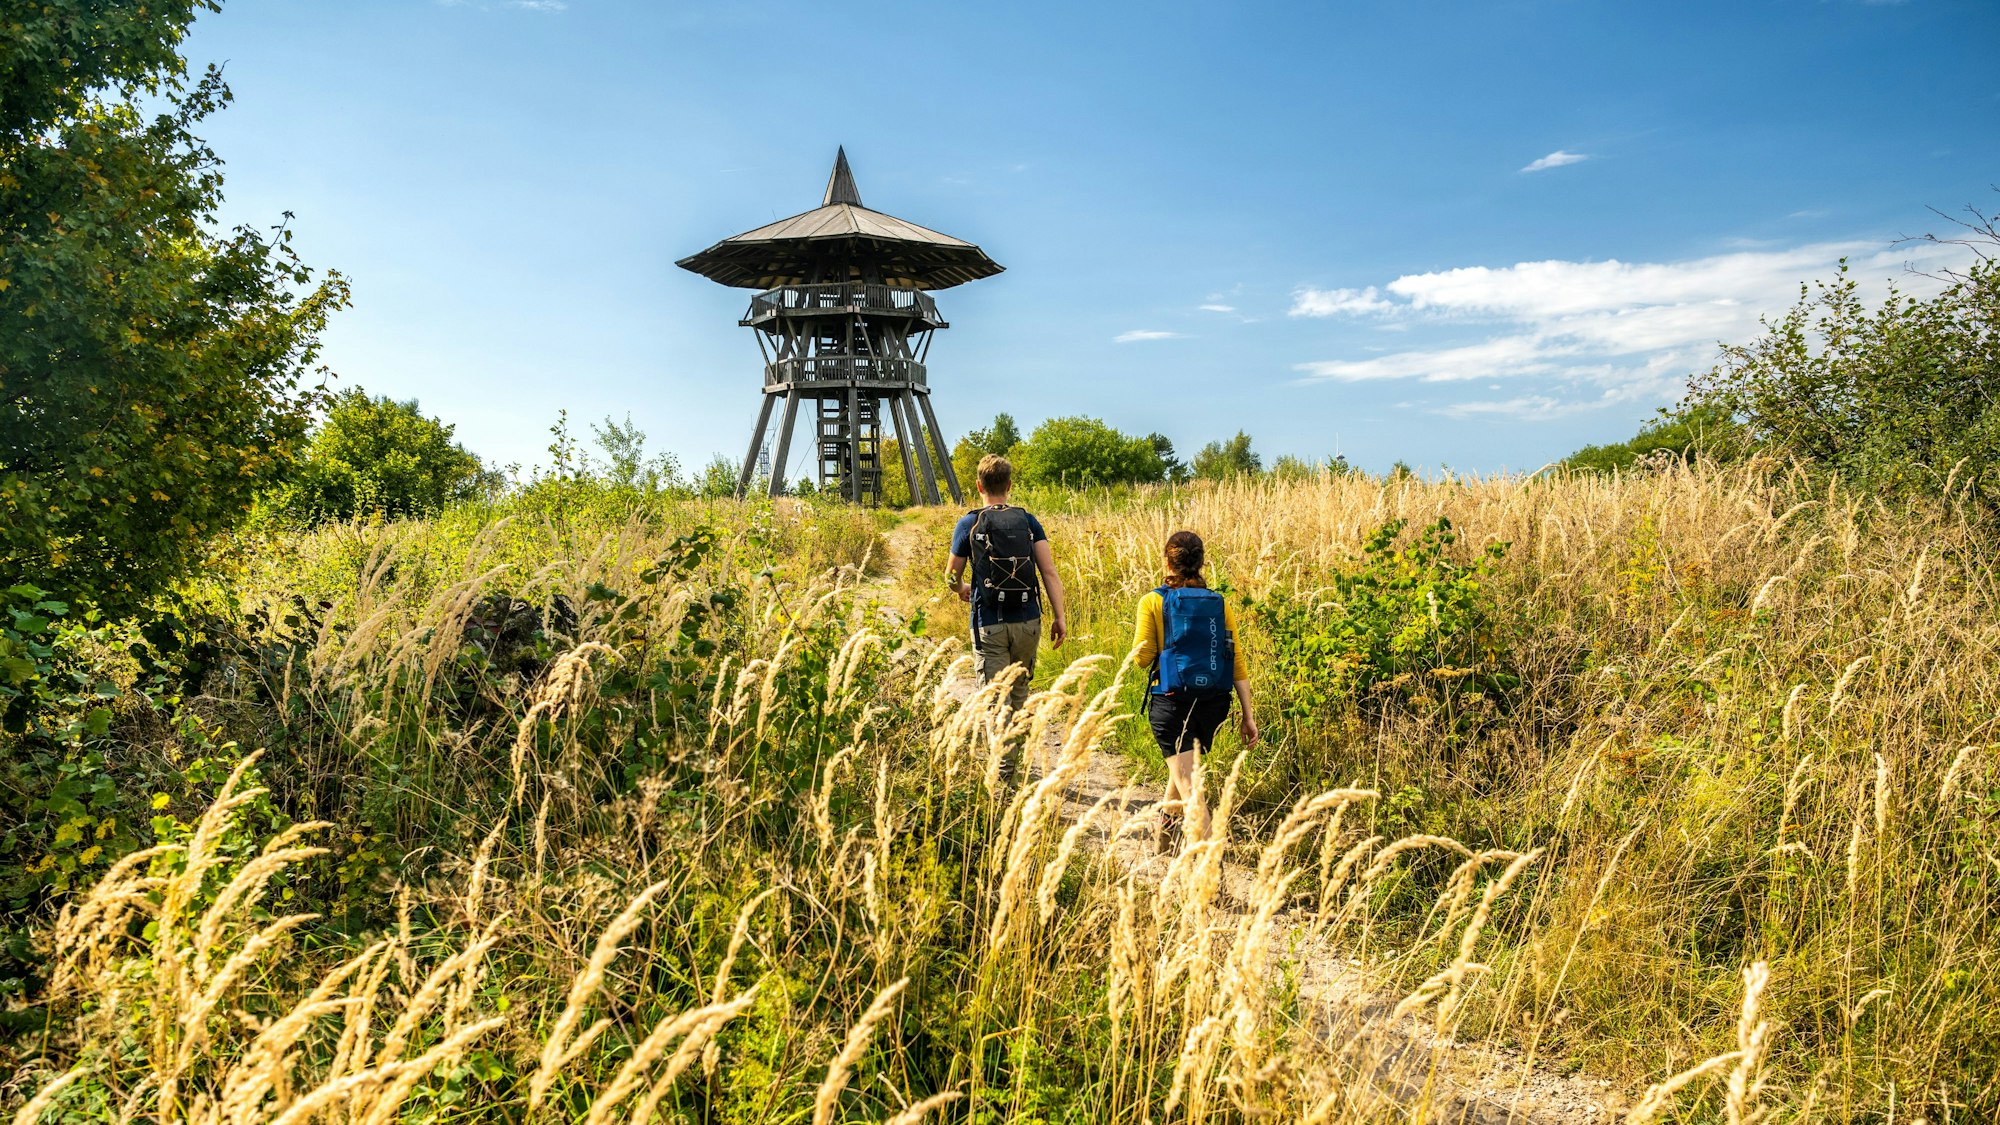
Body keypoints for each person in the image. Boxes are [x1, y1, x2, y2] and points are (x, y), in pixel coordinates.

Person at [1126, 530, 1257, 848]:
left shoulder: (1153, 601)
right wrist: (1248, 715)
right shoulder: (1218, 603)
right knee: (1183, 770)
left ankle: (1211, 865)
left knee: (1191, 790)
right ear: (1201, 562)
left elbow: (1142, 659)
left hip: (1172, 704)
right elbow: (1236, 660)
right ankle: (1165, 831)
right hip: (1213, 705)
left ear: (1167, 562)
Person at [947, 454, 1068, 721]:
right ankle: (1019, 747)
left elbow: (951, 576)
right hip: (1028, 622)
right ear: (1009, 485)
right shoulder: (1028, 522)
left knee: (995, 703)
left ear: (979, 486)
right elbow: (1049, 572)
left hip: (989, 622)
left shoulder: (969, 524)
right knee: (1019, 695)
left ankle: (1003, 750)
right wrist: (1059, 617)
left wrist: (961, 588)